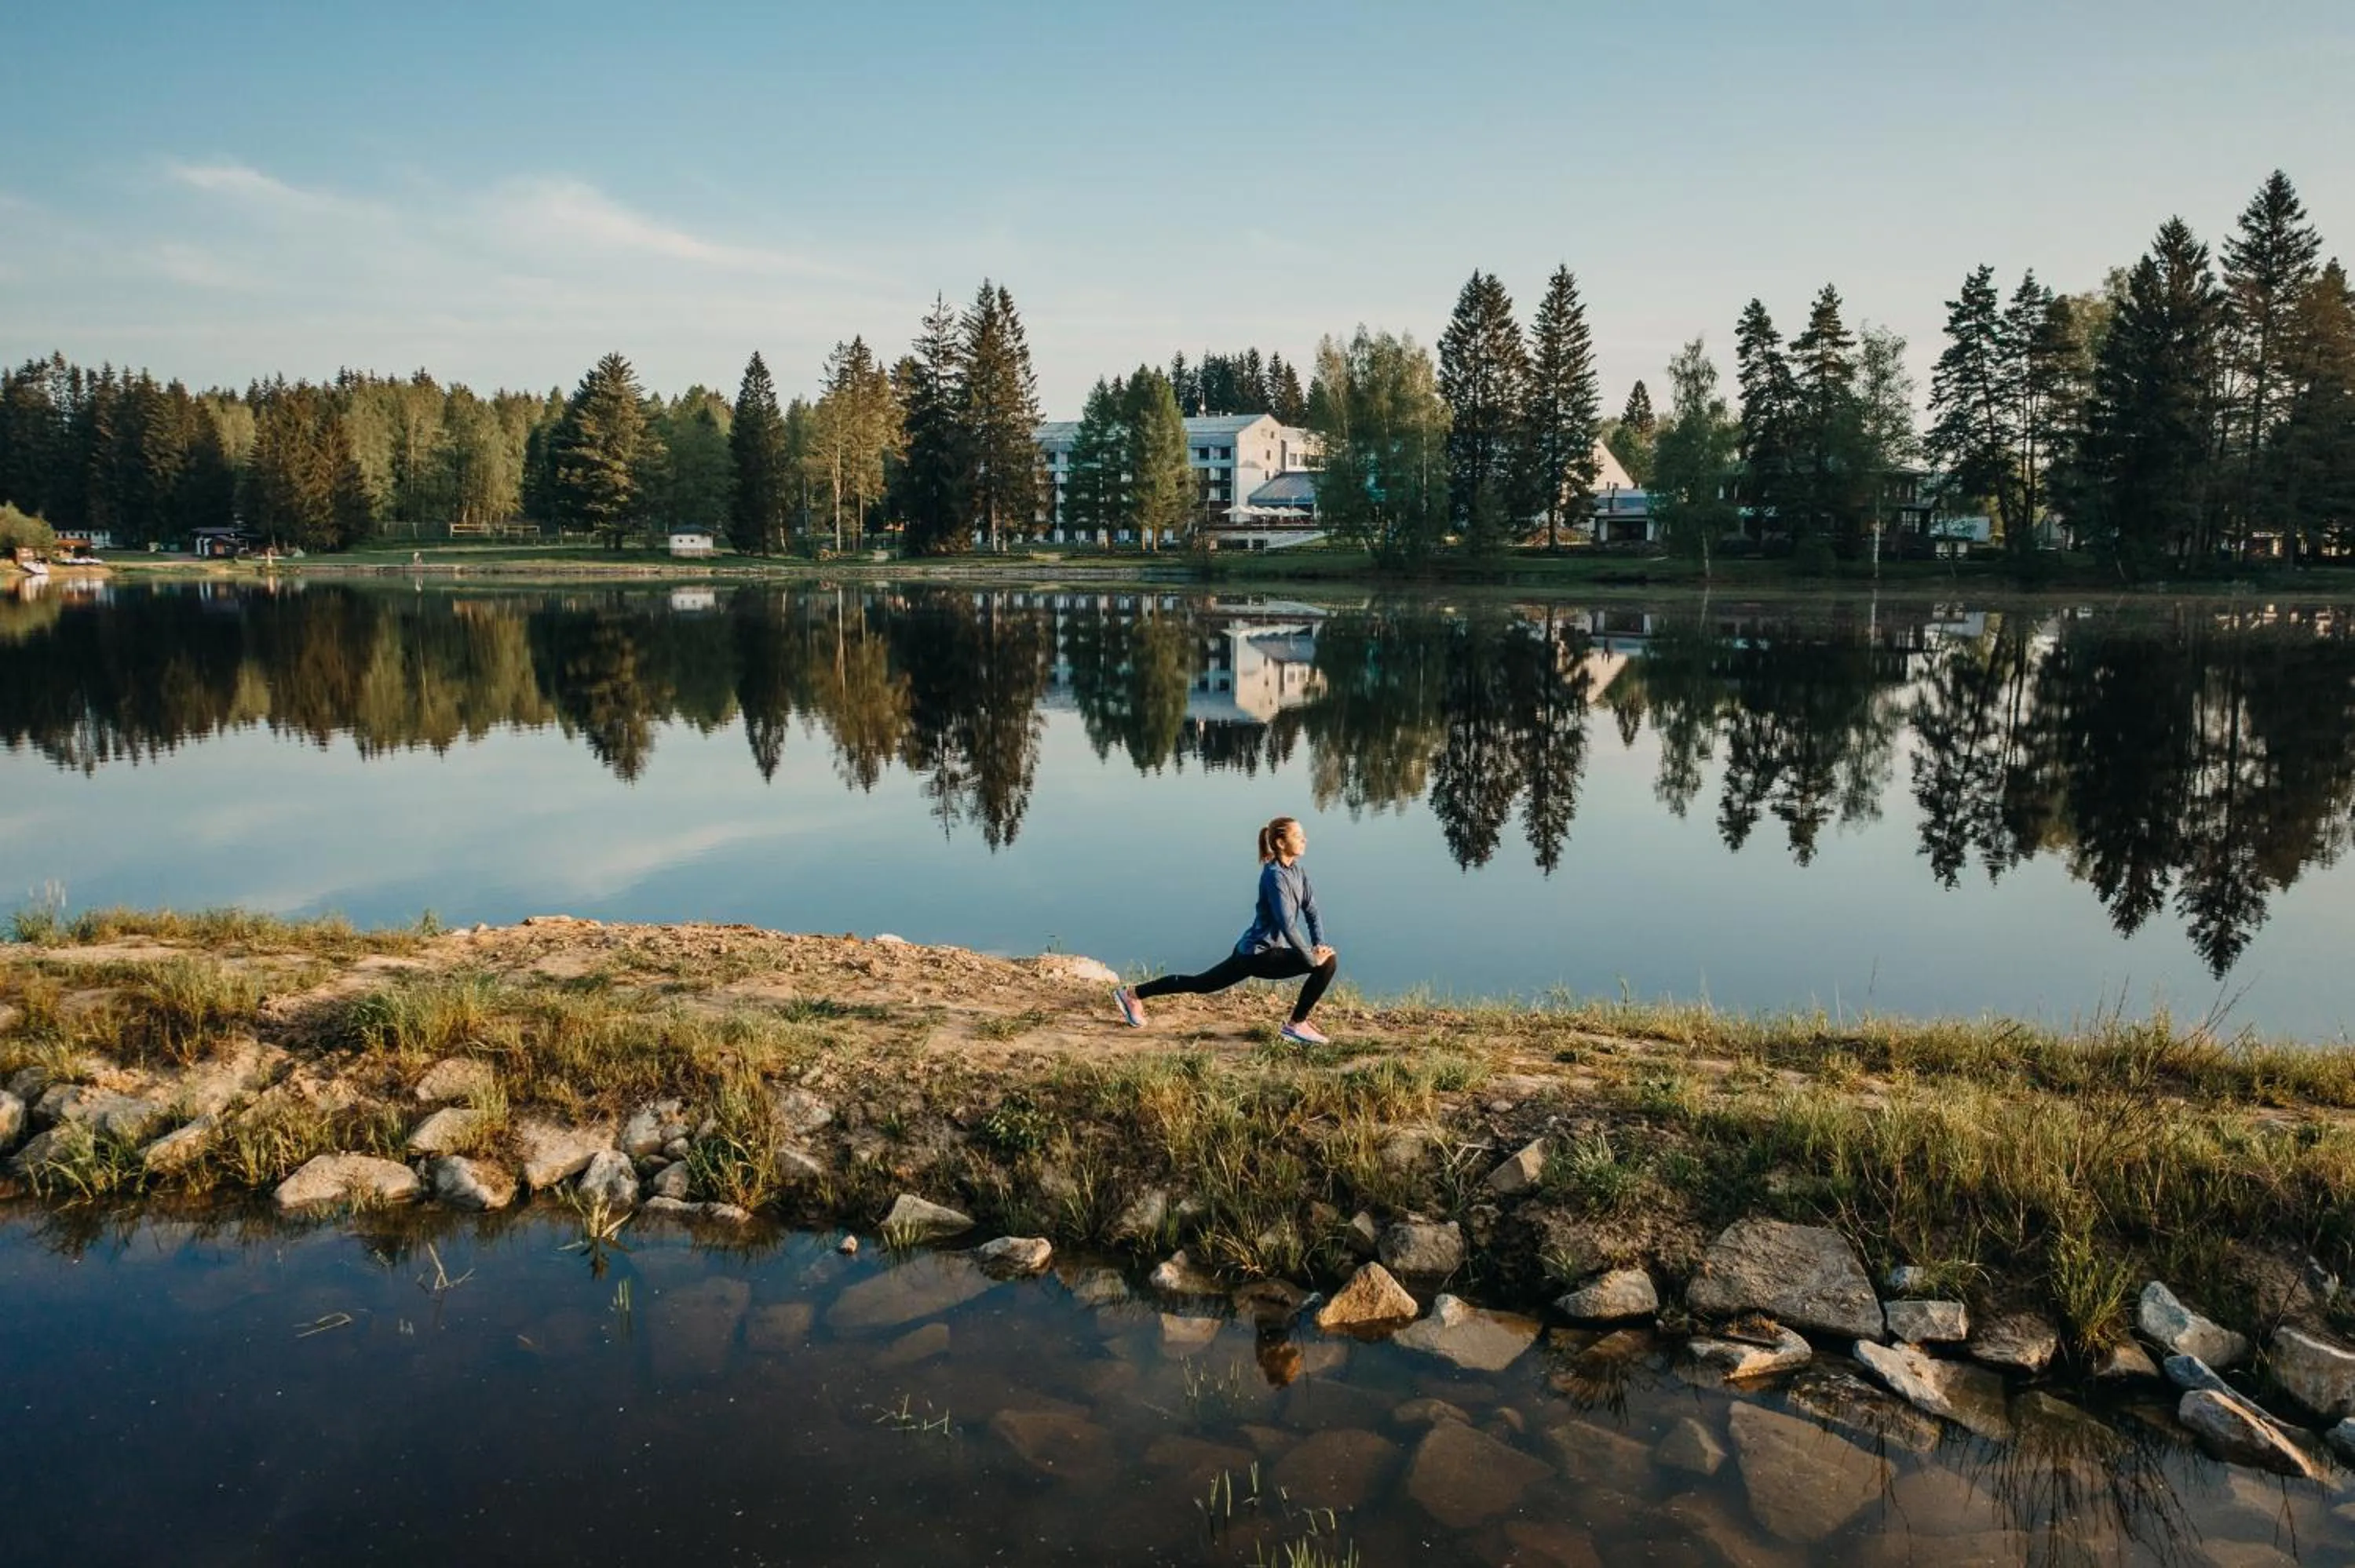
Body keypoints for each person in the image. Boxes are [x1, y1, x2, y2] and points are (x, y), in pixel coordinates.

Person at [1114, 815, 1338, 1045]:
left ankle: (1132, 994)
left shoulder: (1297, 871)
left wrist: (1319, 945)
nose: (1305, 840)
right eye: (1298, 836)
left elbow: (1312, 910)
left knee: (1200, 984)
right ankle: (1296, 1025)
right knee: (1325, 964)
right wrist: (1311, 959)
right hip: (1256, 954)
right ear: (1281, 843)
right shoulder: (1274, 876)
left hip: (1257, 953)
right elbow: (1287, 924)